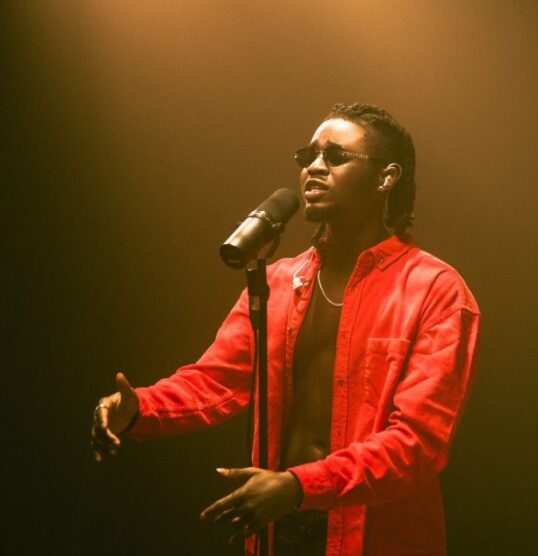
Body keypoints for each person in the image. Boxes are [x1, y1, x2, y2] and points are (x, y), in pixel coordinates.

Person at [91, 103, 480, 556]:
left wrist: (298, 485)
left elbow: (417, 444)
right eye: (308, 156)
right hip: (278, 530)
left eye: (336, 156)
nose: (314, 167)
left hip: (373, 536)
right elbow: (215, 381)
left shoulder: (435, 289)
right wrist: (139, 409)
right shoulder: (276, 282)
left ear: (386, 177)